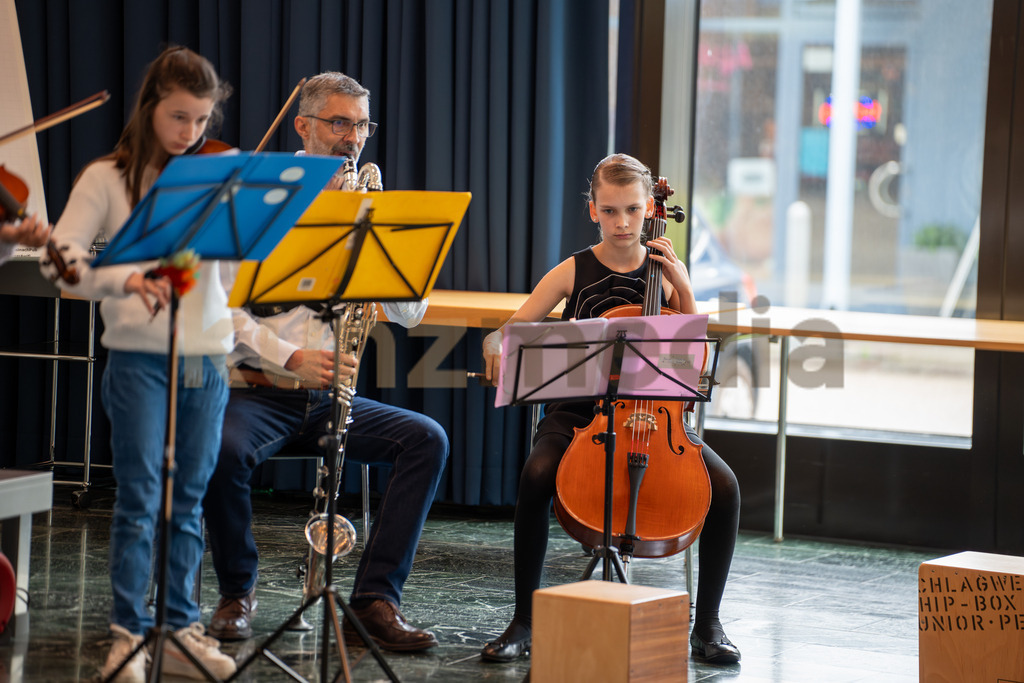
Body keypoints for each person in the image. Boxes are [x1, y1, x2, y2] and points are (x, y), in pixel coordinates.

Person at [203, 71, 448, 653]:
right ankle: (238, 592)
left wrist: (383, 232)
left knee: (427, 439)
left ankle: (374, 600)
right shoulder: (260, 198)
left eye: (362, 125)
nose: (353, 137)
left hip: (331, 397)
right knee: (220, 449)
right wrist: (290, 354)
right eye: (340, 122)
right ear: (304, 126)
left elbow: (411, 316)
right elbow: (219, 310)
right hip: (258, 389)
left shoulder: (368, 201)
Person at [480, 153, 742, 665]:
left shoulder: (668, 272)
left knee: (726, 487)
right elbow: (513, 328)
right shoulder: (572, 269)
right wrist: (496, 343)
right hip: (580, 414)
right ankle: (523, 620)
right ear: (593, 210)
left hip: (656, 414)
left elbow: (691, 357)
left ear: (650, 209)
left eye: (633, 210)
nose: (622, 223)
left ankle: (707, 623)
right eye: (610, 211)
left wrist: (682, 286)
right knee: (536, 474)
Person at [40, 46, 237, 682]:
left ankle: (180, 629)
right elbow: (59, 263)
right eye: (179, 117)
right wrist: (126, 280)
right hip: (138, 359)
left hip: (205, 357)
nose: (191, 133)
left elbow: (232, 277)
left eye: (202, 120)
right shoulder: (107, 177)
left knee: (191, 500)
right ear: (150, 106)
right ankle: (127, 634)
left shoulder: (215, 176)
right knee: (140, 498)